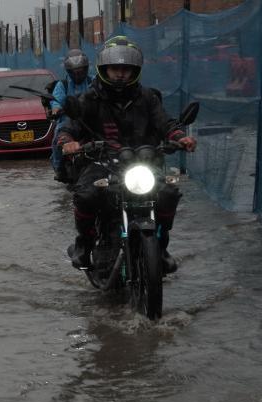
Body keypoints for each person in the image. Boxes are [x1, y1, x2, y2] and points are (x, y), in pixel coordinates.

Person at [57, 36, 197, 272]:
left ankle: (161, 247)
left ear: (135, 72)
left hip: (143, 162)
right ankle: (85, 245)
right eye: (115, 69)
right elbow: (71, 127)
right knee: (86, 195)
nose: (120, 74)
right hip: (102, 162)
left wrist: (180, 138)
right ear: (104, 70)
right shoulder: (90, 98)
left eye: (126, 69)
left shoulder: (147, 97)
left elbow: (166, 124)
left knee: (168, 193)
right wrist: (68, 142)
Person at [49, 49, 94, 185]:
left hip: (90, 119)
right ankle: (59, 169)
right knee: (59, 139)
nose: (78, 74)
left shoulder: (94, 81)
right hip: (68, 120)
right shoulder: (62, 85)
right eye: (75, 71)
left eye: (81, 70)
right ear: (69, 72)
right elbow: (56, 101)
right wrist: (56, 109)